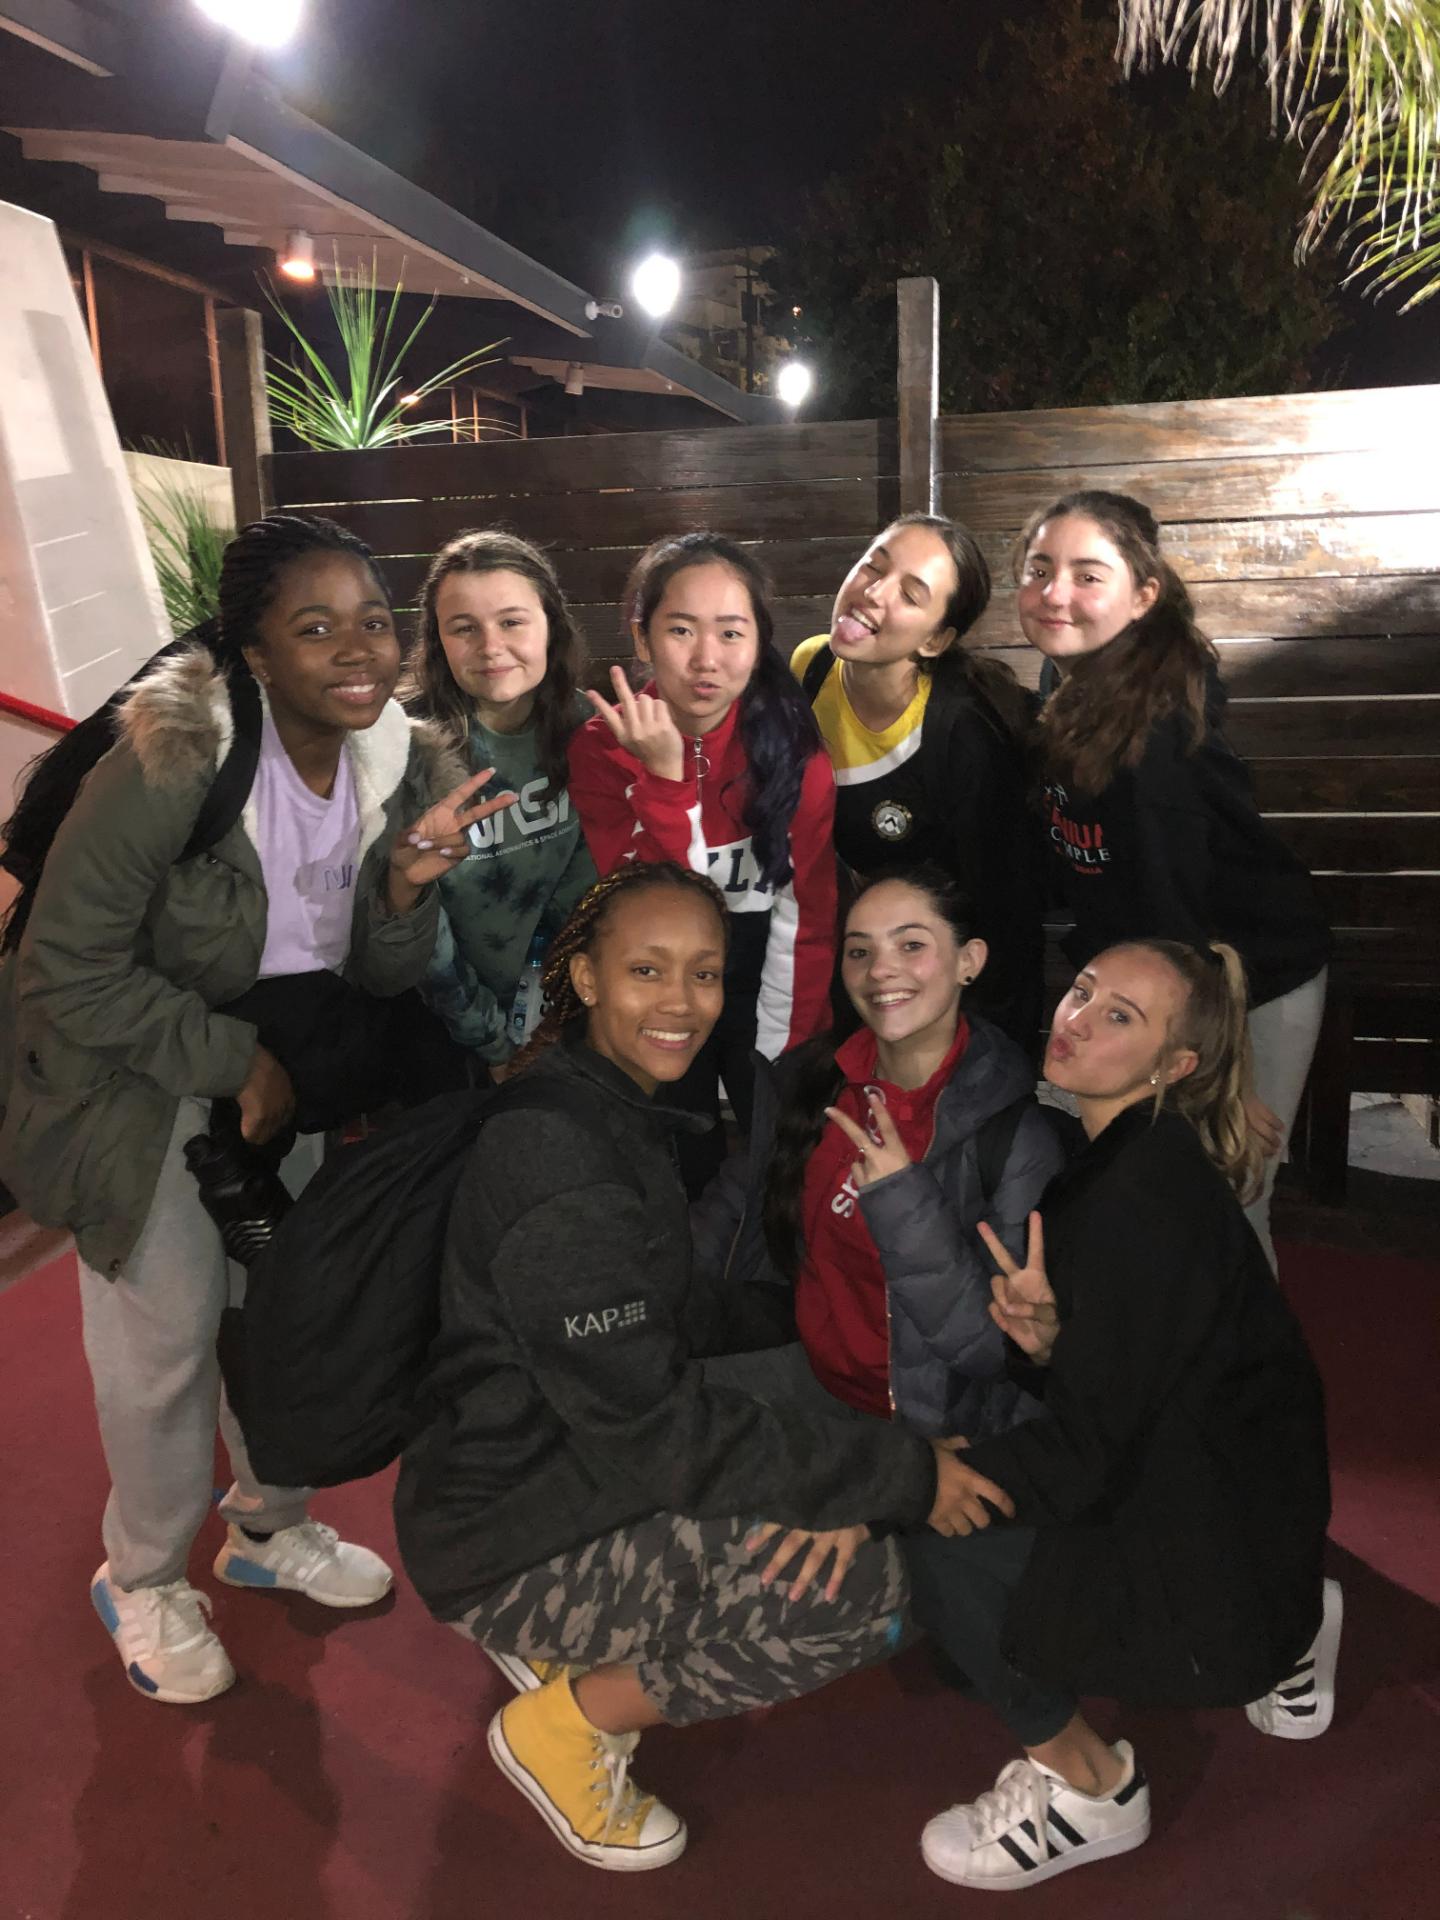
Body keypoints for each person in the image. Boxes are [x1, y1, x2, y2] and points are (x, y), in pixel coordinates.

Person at [392, 862, 1011, 1873]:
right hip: (505, 1526)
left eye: (705, 973)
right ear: (585, 978)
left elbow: (671, 1313)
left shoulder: (601, 1102)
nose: (681, 1002)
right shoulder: (561, 1167)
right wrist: (902, 1480)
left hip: (533, 1453)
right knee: (880, 1587)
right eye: (647, 970)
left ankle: (568, 1632)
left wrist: (810, 1339)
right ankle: (566, 1723)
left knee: (816, 1403)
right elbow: (663, 1435)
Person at [0, 513, 513, 1705]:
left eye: (374, 621)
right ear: (253, 652)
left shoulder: (392, 760)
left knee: (288, 1307)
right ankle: (141, 1577)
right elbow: (65, 965)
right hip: (136, 1079)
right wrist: (230, 1058)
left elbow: (375, 971)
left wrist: (404, 889)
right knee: (169, 1338)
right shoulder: (175, 758)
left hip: (290, 1074)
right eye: (315, 627)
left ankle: (267, 1527)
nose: (359, 650)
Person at [902, 938, 1336, 1892]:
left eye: (1118, 1017)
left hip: (1219, 1539)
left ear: (1174, 1066)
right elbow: (1146, 1377)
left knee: (937, 1528)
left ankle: (1092, 1789)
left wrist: (910, 1480)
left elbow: (1088, 1448)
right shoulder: (1136, 1159)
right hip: (1241, 1489)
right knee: (956, 1483)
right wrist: (1052, 1345)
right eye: (1084, 990)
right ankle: (1297, 1608)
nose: (1076, 1019)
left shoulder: (1139, 1195)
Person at [1017, 490, 1331, 1264]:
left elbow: (1180, 917)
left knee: (1229, 1198)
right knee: (1149, 1192)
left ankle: (1245, 1343)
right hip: (1151, 970)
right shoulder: (1069, 680)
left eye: (1087, 575)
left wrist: (1224, 1076)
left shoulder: (1154, 739)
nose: (1056, 592)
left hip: (1248, 980)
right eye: (1039, 569)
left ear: (1143, 596)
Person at [691, 867, 1067, 1440]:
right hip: (807, 1378)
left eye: (911, 945)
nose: (879, 970)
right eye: (859, 951)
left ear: (969, 961)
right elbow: (734, 1205)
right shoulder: (814, 1079)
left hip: (924, 1426)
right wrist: (662, 1293)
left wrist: (902, 1200)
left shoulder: (1016, 1138)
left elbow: (992, 1353)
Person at [569, 531, 837, 1191]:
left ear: (758, 641)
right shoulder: (602, 746)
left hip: (766, 975)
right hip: (663, 976)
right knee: (678, 1164)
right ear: (642, 639)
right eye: (681, 630)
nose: (706, 659)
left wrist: (782, 1049)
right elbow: (642, 903)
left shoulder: (791, 749)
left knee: (782, 1164)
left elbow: (807, 915)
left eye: (731, 632)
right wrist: (665, 782)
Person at [792, 515, 1044, 1050]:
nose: (873, 592)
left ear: (935, 639)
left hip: (948, 976)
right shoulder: (811, 666)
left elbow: (1005, 916)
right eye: (872, 566)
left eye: (910, 594)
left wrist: (993, 1059)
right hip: (862, 954)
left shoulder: (962, 735)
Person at [402, 529, 596, 1075]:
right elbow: (418, 928)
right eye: (464, 628)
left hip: (562, 1008)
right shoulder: (407, 746)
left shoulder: (586, 726)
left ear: (551, 625)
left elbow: (587, 890)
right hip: (441, 1022)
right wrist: (491, 1043)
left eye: (512, 622)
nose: (490, 646)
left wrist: (562, 1015)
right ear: (438, 639)